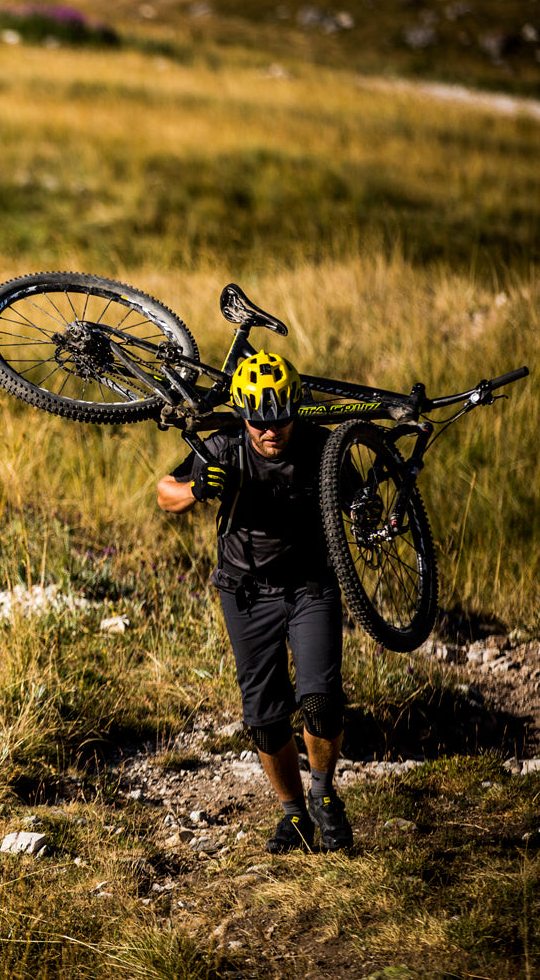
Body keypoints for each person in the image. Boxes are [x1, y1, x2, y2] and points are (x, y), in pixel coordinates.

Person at [155, 351, 355, 853]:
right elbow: (164, 494)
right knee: (265, 717)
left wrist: (377, 514)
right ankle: (292, 816)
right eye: (258, 422)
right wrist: (198, 488)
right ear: (243, 415)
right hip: (245, 591)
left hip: (313, 586)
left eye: (279, 420)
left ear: (296, 408)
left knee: (319, 698)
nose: (269, 432)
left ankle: (324, 795)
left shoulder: (322, 445)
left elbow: (360, 499)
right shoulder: (224, 445)